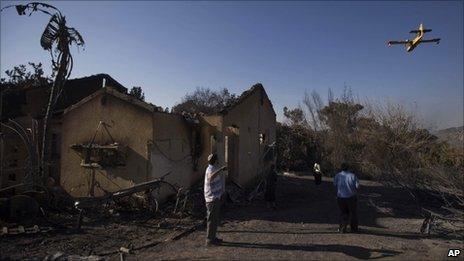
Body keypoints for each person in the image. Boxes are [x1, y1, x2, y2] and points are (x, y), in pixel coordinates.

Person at [204, 153, 227, 246]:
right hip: (212, 199)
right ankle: (209, 240)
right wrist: (221, 169)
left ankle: (213, 237)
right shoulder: (210, 169)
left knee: (214, 219)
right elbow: (210, 178)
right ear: (216, 161)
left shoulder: (212, 168)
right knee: (212, 220)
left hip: (215, 197)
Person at [333, 162, 359, 233]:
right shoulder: (353, 176)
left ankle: (342, 228)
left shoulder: (338, 175)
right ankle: (354, 229)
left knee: (343, 213)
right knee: (353, 213)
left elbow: (334, 184)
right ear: (348, 168)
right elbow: (357, 186)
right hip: (351, 196)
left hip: (340, 197)